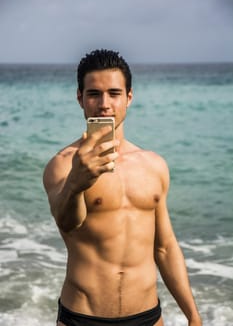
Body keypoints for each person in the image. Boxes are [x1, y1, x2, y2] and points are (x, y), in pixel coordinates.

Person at [43, 49, 202, 326]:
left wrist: (192, 314)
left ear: (129, 98)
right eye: (94, 94)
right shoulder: (63, 165)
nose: (104, 104)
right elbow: (68, 222)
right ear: (80, 98)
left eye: (114, 93)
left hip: (148, 316)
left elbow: (164, 247)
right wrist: (76, 183)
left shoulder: (153, 165)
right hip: (83, 317)